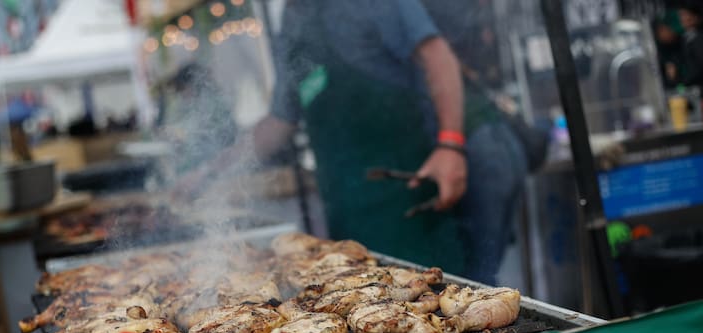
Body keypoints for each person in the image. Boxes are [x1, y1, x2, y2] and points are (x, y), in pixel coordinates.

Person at [174, 0, 526, 283]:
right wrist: (210, 172)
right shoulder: (292, 24)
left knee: (454, 298)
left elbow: (437, 55)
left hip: (407, 190)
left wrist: (450, 144)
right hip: (350, 206)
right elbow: (279, 123)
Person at [679, 3, 703, 87]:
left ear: (696, 18)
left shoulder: (698, 39)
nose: (682, 18)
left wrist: (685, 82)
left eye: (685, 15)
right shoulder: (686, 38)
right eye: (681, 15)